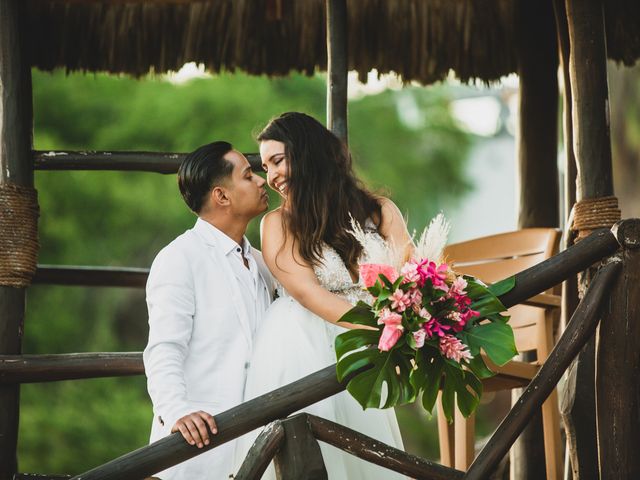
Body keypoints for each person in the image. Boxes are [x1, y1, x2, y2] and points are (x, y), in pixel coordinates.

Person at [236, 112, 413, 479]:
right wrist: (379, 330)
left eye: (278, 161)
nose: (271, 177)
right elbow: (308, 293)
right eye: (265, 167)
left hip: (370, 347)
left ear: (308, 153)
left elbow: (409, 279)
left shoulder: (380, 211)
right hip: (307, 344)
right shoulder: (278, 224)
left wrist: (410, 324)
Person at [143, 141, 275, 479]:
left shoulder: (263, 263)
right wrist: (177, 411)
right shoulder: (179, 258)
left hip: (256, 449)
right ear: (222, 196)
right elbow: (163, 348)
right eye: (248, 176)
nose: (262, 181)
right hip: (197, 453)